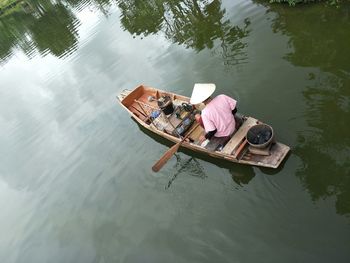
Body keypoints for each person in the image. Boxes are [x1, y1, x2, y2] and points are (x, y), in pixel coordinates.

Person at [190, 83, 239, 151]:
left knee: (198, 117)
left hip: (224, 134)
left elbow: (212, 131)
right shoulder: (222, 96)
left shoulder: (205, 113)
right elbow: (234, 110)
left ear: (202, 101)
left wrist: (204, 137)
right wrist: (226, 117)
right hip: (232, 125)